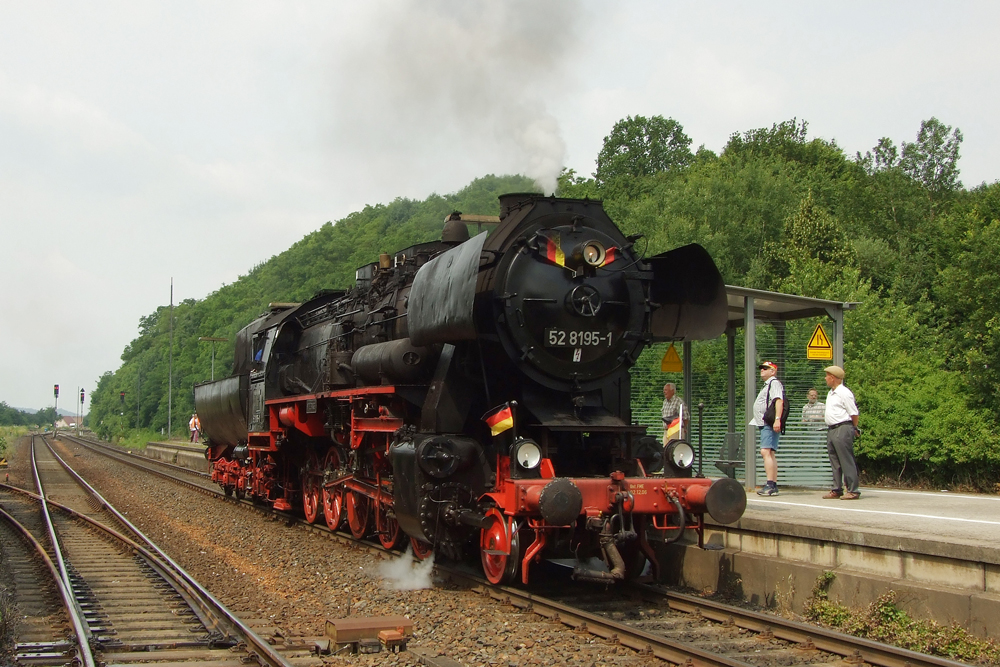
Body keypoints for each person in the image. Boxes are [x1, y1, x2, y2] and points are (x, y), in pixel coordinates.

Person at [822, 365, 861, 500]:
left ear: (833, 378)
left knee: (846, 460)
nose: (825, 378)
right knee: (835, 461)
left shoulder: (844, 393)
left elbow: (854, 413)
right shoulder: (831, 393)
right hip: (832, 429)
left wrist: (854, 428)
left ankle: (853, 490)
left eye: (827, 376)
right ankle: (836, 489)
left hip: (843, 428)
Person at [750, 361, 783, 496]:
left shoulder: (774, 383)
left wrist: (777, 419)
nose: (762, 370)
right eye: (761, 368)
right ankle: (773, 484)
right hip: (765, 423)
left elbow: (778, 401)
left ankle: (770, 485)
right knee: (770, 453)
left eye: (765, 368)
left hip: (768, 423)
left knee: (766, 451)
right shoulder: (768, 384)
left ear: (773, 371)